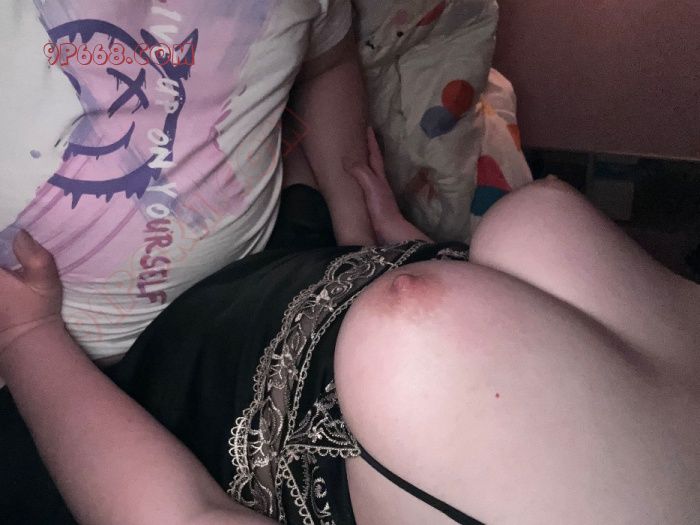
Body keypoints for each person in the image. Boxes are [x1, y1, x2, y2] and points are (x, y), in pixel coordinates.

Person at [1, 129, 699, 524]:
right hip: (331, 263)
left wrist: (26, 337)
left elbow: (183, 514)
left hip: (182, 395)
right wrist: (417, 251)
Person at [0, 0, 375, 375]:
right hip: (32, 367)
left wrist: (357, 242)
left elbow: (327, 65)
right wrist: (23, 339)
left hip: (257, 293)